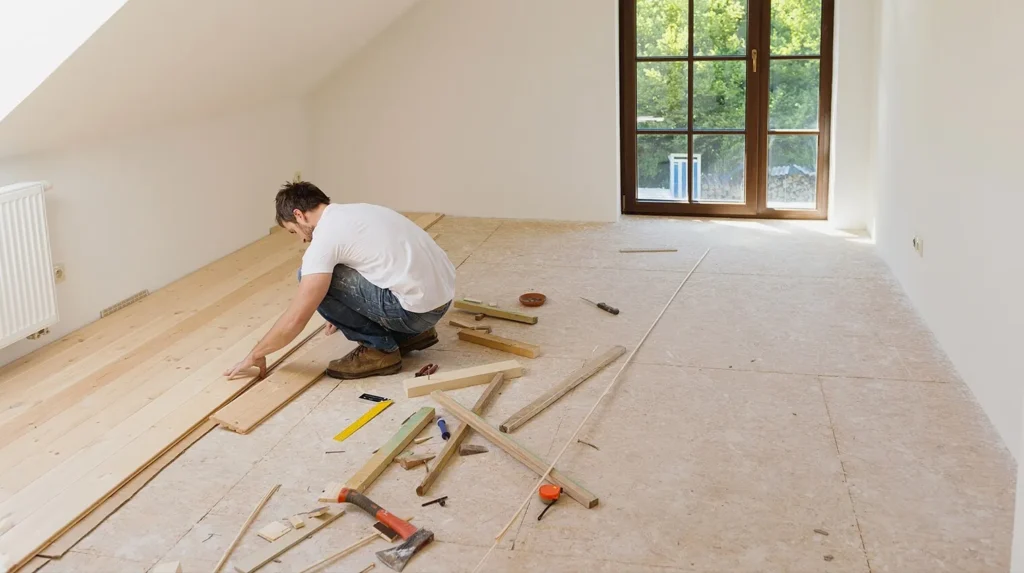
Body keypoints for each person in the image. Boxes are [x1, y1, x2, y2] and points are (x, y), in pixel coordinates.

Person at [224, 181, 455, 380]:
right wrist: (348, 308)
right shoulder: (361, 211)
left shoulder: (325, 238)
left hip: (414, 314)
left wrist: (255, 354)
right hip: (440, 302)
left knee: (308, 275)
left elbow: (296, 317)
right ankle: (413, 336)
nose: (303, 239)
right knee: (327, 273)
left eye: (295, 231)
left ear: (298, 214)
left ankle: (380, 350)